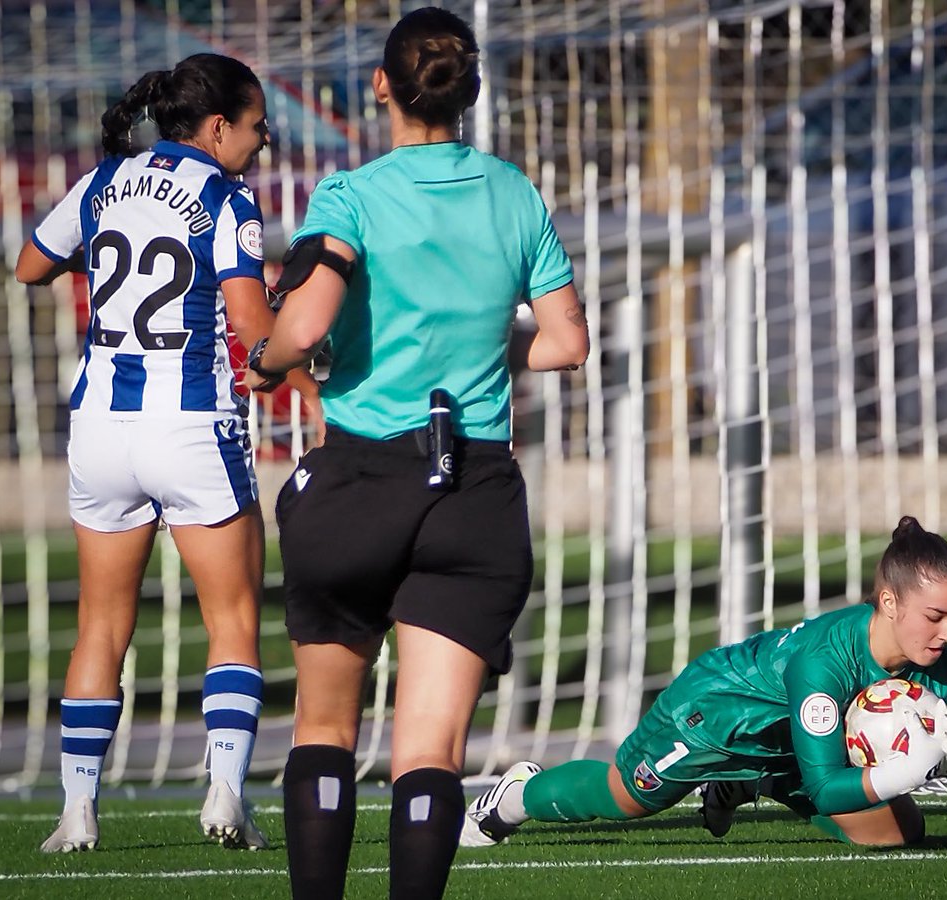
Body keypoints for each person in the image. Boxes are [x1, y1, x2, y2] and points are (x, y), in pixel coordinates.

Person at [241, 7, 589, 899]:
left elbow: (308, 320)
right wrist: (473, 348)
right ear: (468, 94)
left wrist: (269, 361)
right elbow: (566, 343)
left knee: (323, 729)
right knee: (428, 750)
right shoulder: (514, 193)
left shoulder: (351, 193)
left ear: (383, 87)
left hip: (362, 478)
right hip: (473, 488)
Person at [16, 53, 321, 852]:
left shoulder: (103, 182)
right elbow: (254, 335)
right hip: (190, 423)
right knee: (234, 618)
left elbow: (29, 266)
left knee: (99, 627)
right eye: (257, 127)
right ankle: (225, 792)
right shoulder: (226, 198)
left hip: (100, 431)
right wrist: (303, 371)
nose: (262, 143)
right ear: (218, 127)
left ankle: (77, 810)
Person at [460, 516, 947, 849]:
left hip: (791, 742)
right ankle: (516, 797)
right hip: (715, 714)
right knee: (629, 796)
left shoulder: (938, 660)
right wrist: (912, 764)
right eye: (934, 616)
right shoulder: (823, 665)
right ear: (888, 601)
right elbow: (825, 788)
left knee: (901, 833)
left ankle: (756, 782)